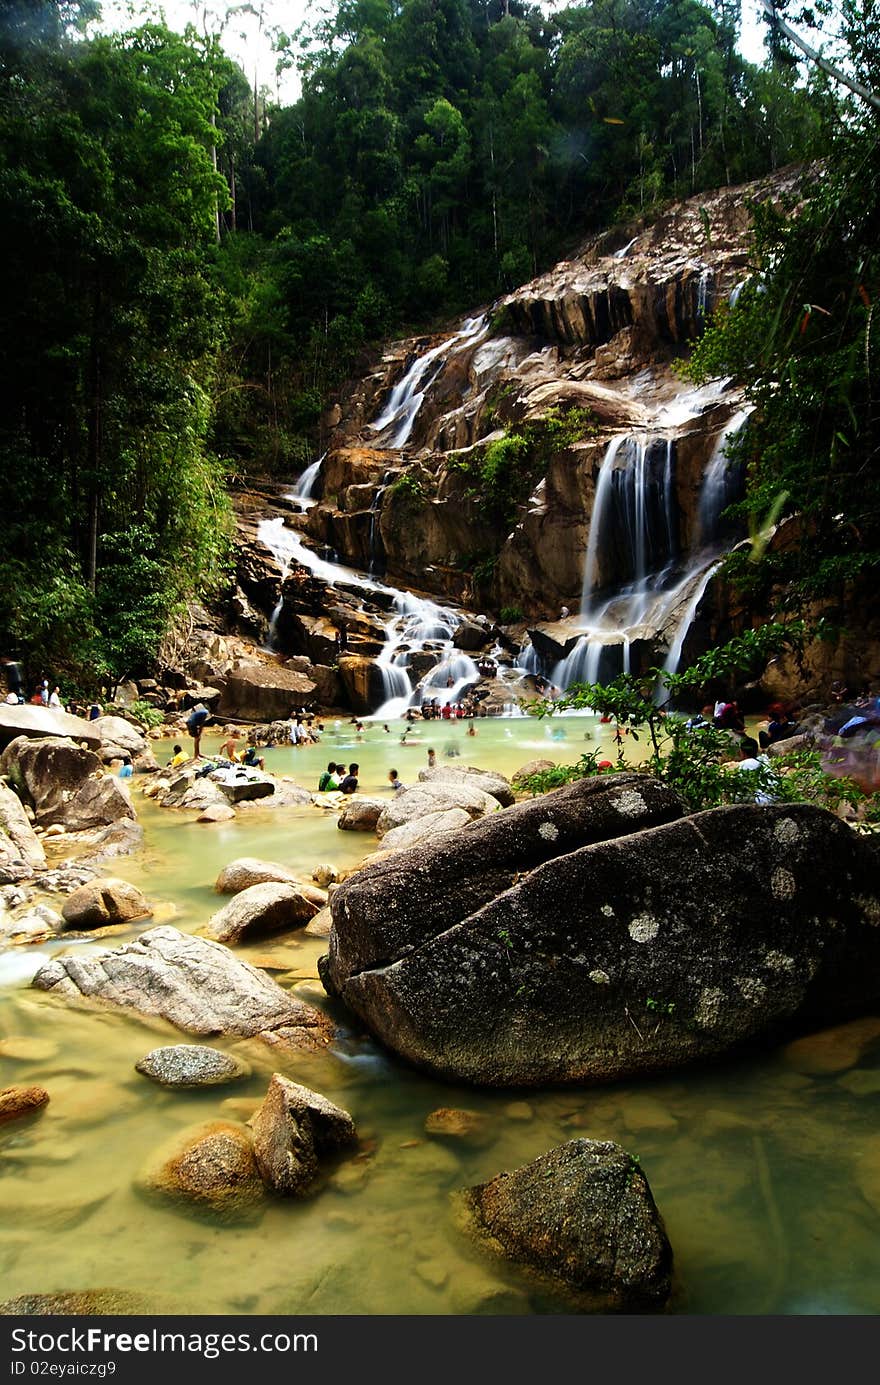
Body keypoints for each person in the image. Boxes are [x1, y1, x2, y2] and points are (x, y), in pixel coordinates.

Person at [736, 736, 776, 804]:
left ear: (742, 752)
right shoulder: (764, 759)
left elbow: (742, 788)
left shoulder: (744, 764)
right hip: (774, 796)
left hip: (763, 801)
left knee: (737, 797)